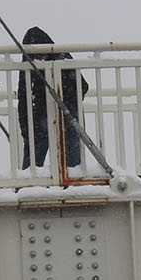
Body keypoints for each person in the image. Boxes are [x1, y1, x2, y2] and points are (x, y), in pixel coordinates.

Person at [15, 27, 89, 172]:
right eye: (35, 55)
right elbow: (23, 98)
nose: (40, 59)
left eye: (42, 54)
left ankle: (71, 179)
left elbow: (82, 87)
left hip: (67, 107)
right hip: (40, 109)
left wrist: (65, 97)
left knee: (71, 150)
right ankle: (29, 182)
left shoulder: (62, 57)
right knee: (35, 147)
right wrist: (26, 131)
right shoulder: (28, 63)